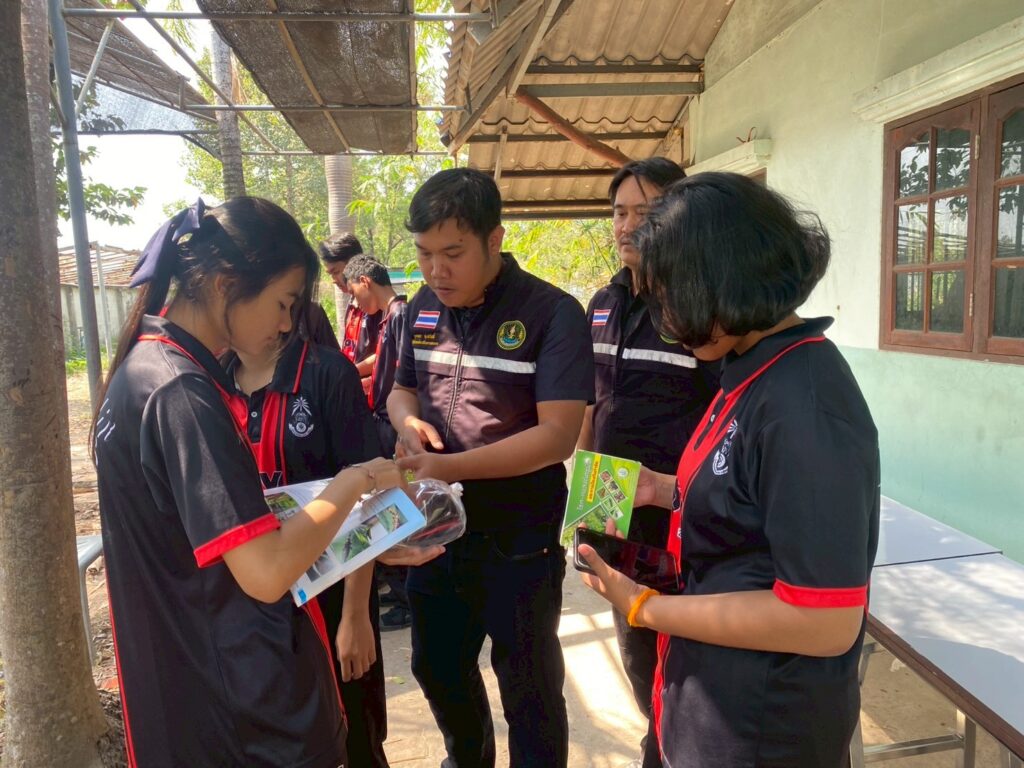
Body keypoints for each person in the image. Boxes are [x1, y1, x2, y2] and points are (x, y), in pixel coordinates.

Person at [578, 172, 880, 768]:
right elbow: (752, 499)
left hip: (762, 728)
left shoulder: (805, 403)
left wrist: (643, 605)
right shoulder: (751, 367)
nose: (666, 318)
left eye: (671, 295)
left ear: (723, 279)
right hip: (708, 695)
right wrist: (666, 489)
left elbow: (824, 620)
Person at [92, 197, 404, 767]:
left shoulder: (145, 370)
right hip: (238, 708)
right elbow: (265, 572)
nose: (287, 323)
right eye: (283, 303)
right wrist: (352, 482)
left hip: (189, 684)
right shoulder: (181, 391)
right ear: (225, 284)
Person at [388, 168, 595, 768]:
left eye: (453, 254)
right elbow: (401, 391)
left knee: (529, 686)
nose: (436, 271)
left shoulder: (552, 313)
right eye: (424, 254)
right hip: (434, 530)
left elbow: (556, 436)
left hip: (516, 539)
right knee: (437, 666)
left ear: (494, 239)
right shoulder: (422, 308)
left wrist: (449, 464)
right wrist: (408, 424)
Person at [577, 157, 720, 768]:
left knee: (681, 648)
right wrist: (583, 511)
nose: (628, 225)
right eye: (619, 212)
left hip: (678, 513)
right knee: (634, 643)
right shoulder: (603, 303)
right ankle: (656, 737)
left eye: (646, 212)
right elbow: (592, 408)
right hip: (614, 507)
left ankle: (669, 746)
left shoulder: (701, 310)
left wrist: (680, 495)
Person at [222, 313, 390, 766]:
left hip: (330, 596)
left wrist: (355, 614)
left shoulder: (326, 375)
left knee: (356, 737)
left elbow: (368, 496)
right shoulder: (210, 380)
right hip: (252, 606)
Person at [342, 254, 413, 632]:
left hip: (392, 422)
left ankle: (406, 598)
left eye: (354, 291)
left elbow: (404, 376)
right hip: (383, 417)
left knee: (392, 503)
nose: (354, 301)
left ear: (365, 281)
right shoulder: (386, 318)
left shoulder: (400, 315)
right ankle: (400, 589)